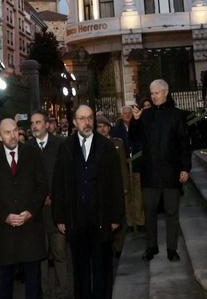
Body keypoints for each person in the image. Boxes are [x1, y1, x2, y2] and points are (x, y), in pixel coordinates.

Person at [52, 105, 124, 299]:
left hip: (101, 217)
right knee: (80, 269)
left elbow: (116, 182)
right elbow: (58, 184)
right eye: (82, 118)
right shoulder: (66, 147)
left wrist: (116, 216)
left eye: (89, 118)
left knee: (102, 268)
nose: (86, 122)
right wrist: (59, 217)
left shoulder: (106, 146)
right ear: (75, 122)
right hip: (76, 220)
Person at [0, 118, 47, 299]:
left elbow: (42, 186)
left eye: (14, 131)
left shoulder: (32, 153)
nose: (12, 136)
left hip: (30, 228)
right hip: (4, 231)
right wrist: (5, 216)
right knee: (4, 283)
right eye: (7, 132)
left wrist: (30, 211)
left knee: (33, 283)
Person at [129, 79, 190, 262]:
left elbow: (184, 144)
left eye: (156, 93)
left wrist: (185, 168)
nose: (153, 96)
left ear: (166, 92)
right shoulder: (145, 115)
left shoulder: (178, 115)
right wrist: (136, 120)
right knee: (149, 211)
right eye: (152, 93)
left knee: (172, 211)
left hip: (172, 172)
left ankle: (172, 249)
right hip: (150, 172)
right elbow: (134, 136)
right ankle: (151, 246)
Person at [26, 111, 68, 299]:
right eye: (32, 123)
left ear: (47, 124)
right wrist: (38, 198)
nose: (35, 126)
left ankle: (65, 291)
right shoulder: (26, 148)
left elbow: (64, 175)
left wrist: (54, 196)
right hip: (35, 213)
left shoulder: (60, 144)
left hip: (57, 211)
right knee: (39, 255)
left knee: (59, 252)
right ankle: (45, 292)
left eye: (38, 122)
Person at [95, 115, 130, 262]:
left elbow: (123, 166)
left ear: (109, 128)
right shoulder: (94, 145)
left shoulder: (118, 143)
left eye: (105, 126)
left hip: (116, 187)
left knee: (119, 217)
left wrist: (125, 186)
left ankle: (119, 246)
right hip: (101, 189)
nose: (102, 129)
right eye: (99, 127)